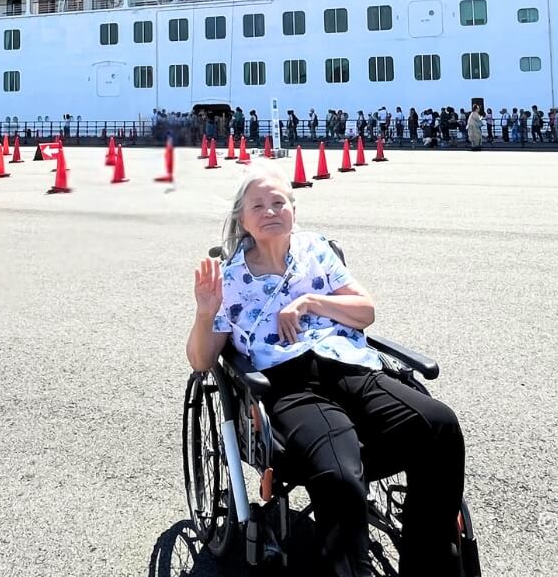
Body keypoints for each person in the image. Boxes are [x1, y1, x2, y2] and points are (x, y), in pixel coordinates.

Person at [187, 170, 467, 575]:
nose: (270, 211)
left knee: (440, 425)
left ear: (293, 210)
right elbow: (201, 360)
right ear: (243, 219)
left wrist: (311, 303)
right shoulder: (230, 280)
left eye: (279, 202)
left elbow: (365, 311)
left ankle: (429, 563)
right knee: (338, 474)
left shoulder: (316, 250)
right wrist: (204, 312)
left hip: (350, 365)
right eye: (258, 206)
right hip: (289, 383)